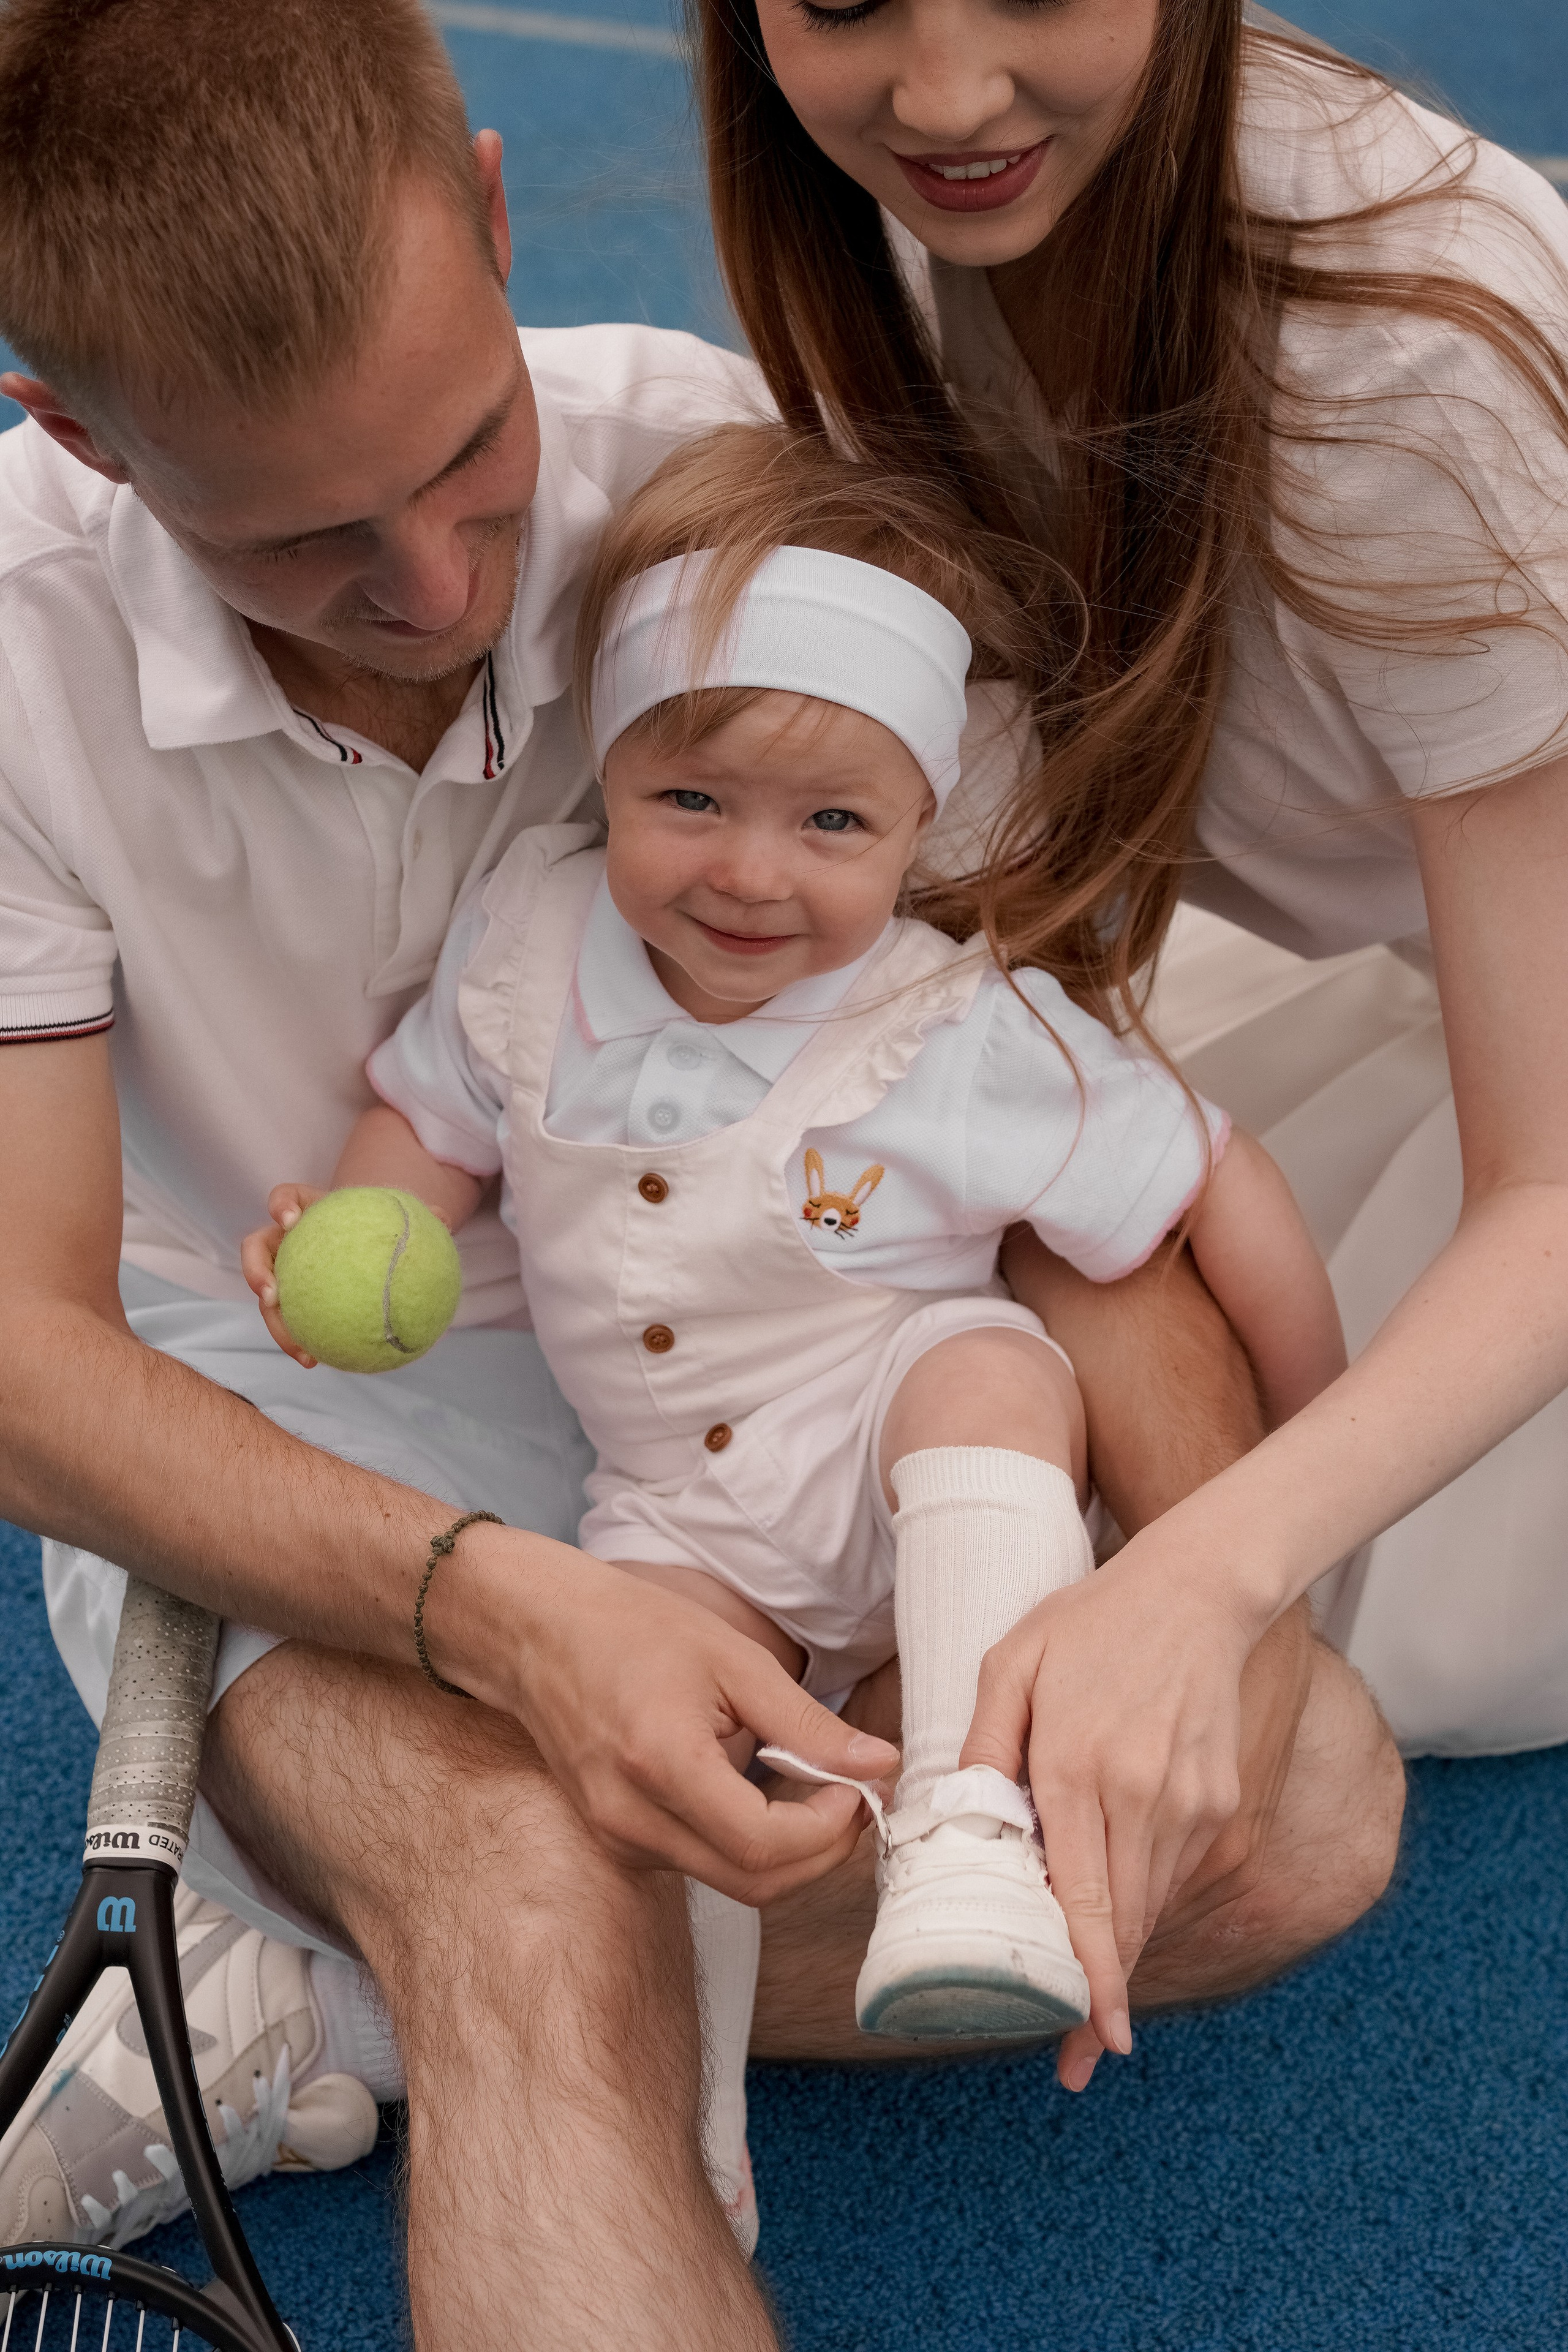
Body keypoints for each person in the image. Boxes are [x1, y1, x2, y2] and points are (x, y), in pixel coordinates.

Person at [0, 1, 1400, 2342]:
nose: (437, 587)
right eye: (302, 538)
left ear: (493, 209)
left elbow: (1028, 1114)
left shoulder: (760, 508)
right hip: (288, 1454)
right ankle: (483, 1937)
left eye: (470, 457)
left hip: (797, 1398)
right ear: (82, 439)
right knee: (539, 1875)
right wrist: (505, 1620)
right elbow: (26, 1366)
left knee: (1306, 1807)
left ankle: (338, 1994)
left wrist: (1206, 1595)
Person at [239, 421, 1347, 2248]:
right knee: (638, 1751)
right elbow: (426, 1117)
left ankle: (974, 1836)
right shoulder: (530, 943)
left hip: (905, 1445)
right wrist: (355, 1236)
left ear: (918, 824)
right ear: (613, 766)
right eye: (692, 800)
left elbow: (1209, 1175)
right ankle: (679, 2120)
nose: (752, 874)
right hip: (677, 1516)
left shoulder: (952, 1023)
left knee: (987, 1365)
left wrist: (1311, 1456)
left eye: (833, 823)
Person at [687, 0, 1568, 2086]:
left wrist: (1209, 1575)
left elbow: (1550, 1188)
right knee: (916, 1314)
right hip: (1455, 949)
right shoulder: (903, 222)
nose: (947, 96)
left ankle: (391, 1991)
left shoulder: (1407, 370)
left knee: (1308, 1631)